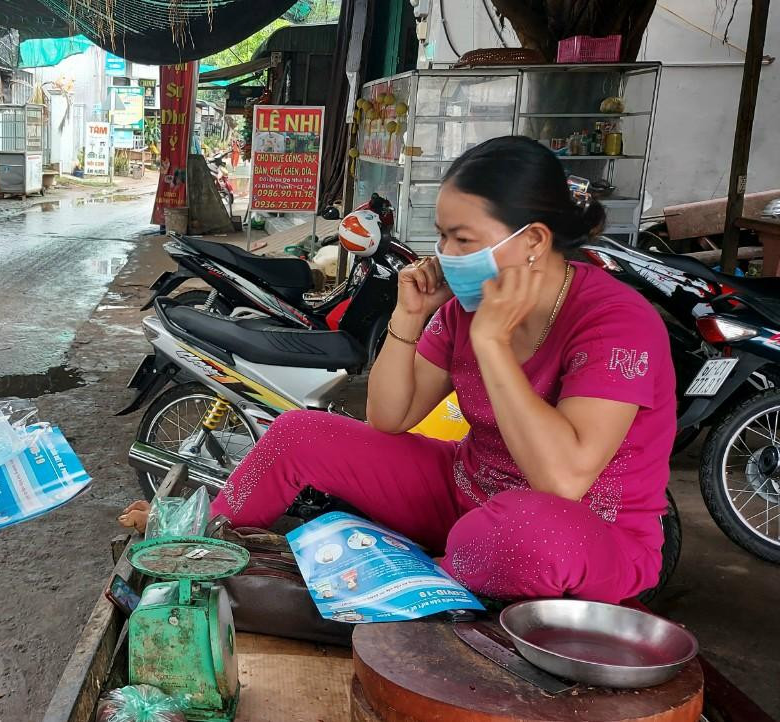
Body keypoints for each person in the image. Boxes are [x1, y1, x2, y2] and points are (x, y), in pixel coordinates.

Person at [123, 136, 675, 604]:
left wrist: (492, 346)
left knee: (509, 537)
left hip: (584, 530)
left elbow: (563, 480)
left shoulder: (616, 321)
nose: (445, 253)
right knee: (298, 433)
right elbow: (390, 417)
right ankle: (200, 540)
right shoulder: (464, 310)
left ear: (532, 240)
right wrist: (408, 316)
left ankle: (409, 583)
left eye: (463, 239)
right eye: (442, 235)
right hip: (466, 493)